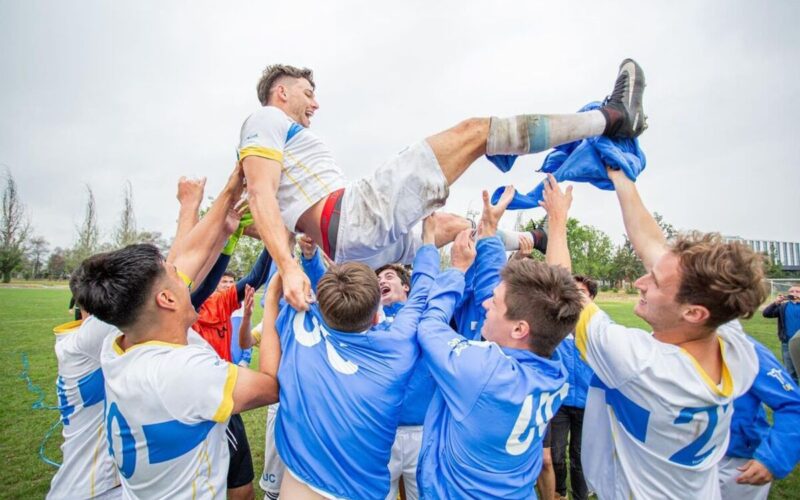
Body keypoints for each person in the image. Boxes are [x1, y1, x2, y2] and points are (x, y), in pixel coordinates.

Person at [239, 60, 647, 311]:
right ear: (282, 92)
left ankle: (533, 238)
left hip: (350, 244)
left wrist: (290, 236)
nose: (315, 104)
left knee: (449, 225)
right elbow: (259, 195)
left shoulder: (278, 149)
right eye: (308, 94)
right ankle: (612, 118)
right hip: (350, 218)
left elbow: (259, 210)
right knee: (474, 132)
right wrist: (290, 265)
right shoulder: (267, 120)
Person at [72, 166, 280, 498]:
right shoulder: (185, 373)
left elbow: (189, 257)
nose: (183, 274)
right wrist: (272, 303)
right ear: (167, 298)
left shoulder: (119, 345)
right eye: (173, 273)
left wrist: (225, 204)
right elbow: (271, 386)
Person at [571, 168, 768, 498]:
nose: (640, 283)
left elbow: (566, 289)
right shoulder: (733, 343)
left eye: (655, 282)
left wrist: (558, 219)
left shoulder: (641, 364)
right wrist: (620, 177)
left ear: (693, 312)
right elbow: (653, 245)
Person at [415, 179, 583, 498]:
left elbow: (430, 327)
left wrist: (456, 270)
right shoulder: (552, 360)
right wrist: (490, 231)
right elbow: (557, 295)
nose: (485, 303)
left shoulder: (481, 371)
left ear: (520, 329)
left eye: (495, 303)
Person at [46, 176, 207, 500]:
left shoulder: (87, 340)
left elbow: (177, 278)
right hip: (91, 491)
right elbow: (174, 272)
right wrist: (189, 206)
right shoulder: (94, 336)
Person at [259, 216, 440, 499]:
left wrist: (274, 293)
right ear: (376, 315)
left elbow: (293, 288)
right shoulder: (397, 346)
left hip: (297, 488)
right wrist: (428, 242)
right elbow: (422, 296)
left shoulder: (299, 323)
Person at [718, 337, 800, 499]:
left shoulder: (746, 351)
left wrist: (774, 457)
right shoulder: (660, 349)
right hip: (678, 457)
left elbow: (793, 406)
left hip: (736, 459)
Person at [550, 275, 597, 500]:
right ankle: (559, 493)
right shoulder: (555, 328)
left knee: (580, 456)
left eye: (582, 292)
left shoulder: (599, 332)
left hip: (588, 404)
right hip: (559, 403)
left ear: (591, 297)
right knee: (556, 455)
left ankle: (580, 495)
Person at [762, 284, 800, 382]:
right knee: (791, 373)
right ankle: (794, 396)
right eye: (791, 291)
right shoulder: (783, 307)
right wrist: (776, 303)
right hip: (787, 344)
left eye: (797, 291)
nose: (794, 293)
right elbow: (766, 314)